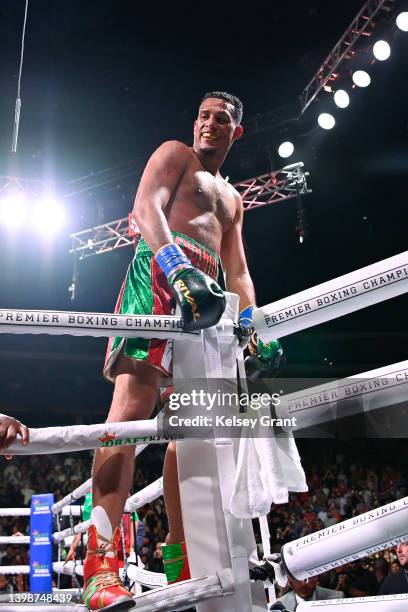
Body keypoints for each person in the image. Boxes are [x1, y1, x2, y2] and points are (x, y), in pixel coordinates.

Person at [85, 91, 280, 611]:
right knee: (129, 414)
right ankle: (100, 563)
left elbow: (237, 270)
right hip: (161, 273)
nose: (210, 124)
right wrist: (177, 267)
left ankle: (183, 560)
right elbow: (145, 208)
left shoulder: (232, 199)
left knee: (191, 433)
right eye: (205, 116)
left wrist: (250, 321)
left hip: (210, 298)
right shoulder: (175, 153)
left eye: (223, 119)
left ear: (236, 132)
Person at [274, 575, 343, 610]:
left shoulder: (337, 598)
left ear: (316, 577)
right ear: (289, 581)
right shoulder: (277, 606)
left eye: (309, 577)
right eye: (298, 579)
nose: (304, 584)